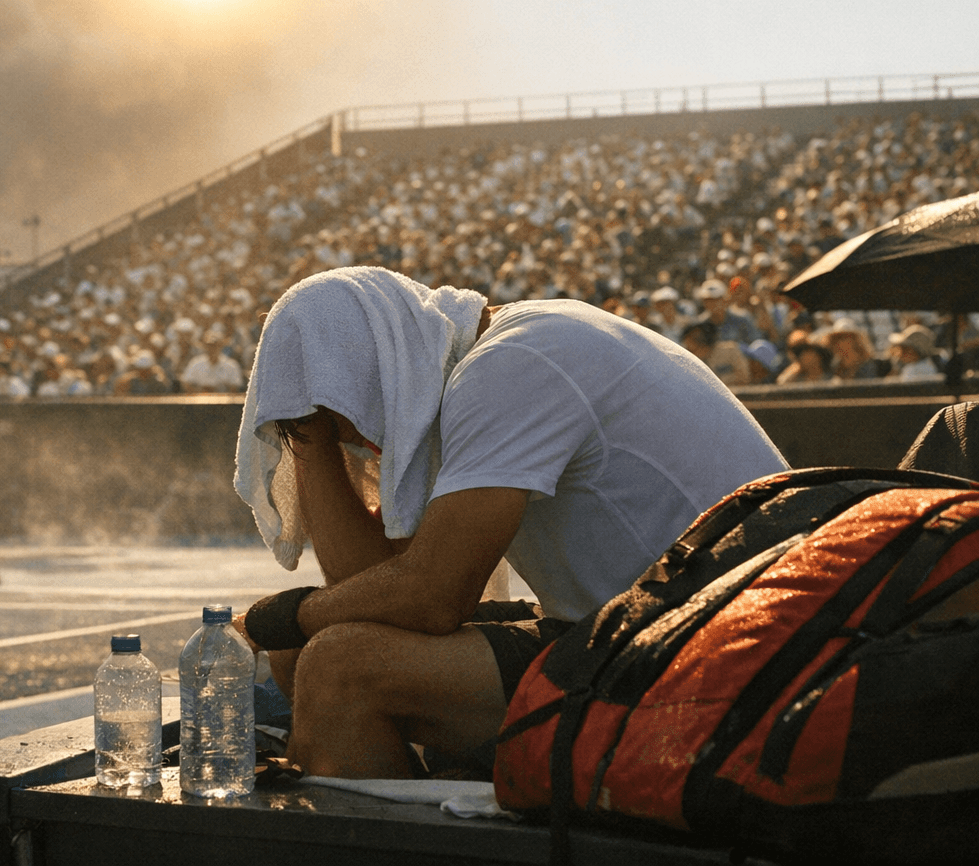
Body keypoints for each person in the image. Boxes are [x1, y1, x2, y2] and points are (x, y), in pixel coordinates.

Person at [231, 267, 787, 779]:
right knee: (302, 648)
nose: (355, 442)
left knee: (338, 671)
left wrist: (280, 615)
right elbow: (369, 581)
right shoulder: (498, 350)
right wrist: (308, 436)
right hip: (664, 625)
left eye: (339, 412)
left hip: (722, 657)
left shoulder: (514, 362)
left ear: (376, 362)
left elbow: (431, 598)